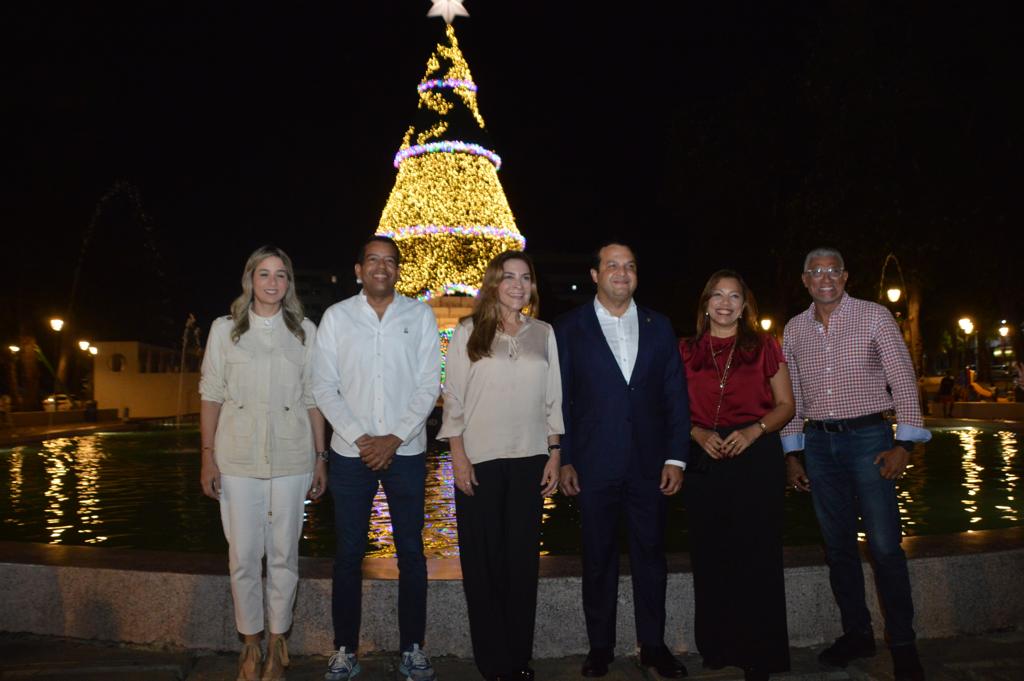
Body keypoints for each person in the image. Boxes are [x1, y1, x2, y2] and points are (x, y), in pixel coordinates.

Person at [782, 247, 931, 681]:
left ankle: (902, 642)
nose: (825, 277)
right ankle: (857, 633)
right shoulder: (793, 330)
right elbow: (791, 396)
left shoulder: (875, 316)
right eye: (816, 271)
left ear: (845, 277)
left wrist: (905, 444)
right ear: (805, 280)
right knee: (839, 549)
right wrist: (793, 454)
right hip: (819, 445)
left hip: (870, 438)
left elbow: (903, 379)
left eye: (833, 270)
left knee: (885, 546)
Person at [555, 242, 690, 679]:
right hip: (593, 465)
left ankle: (653, 645)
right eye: (612, 265)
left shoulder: (660, 325)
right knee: (597, 557)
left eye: (630, 265)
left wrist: (676, 458)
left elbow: (675, 396)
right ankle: (600, 648)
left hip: (651, 466)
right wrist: (566, 459)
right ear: (595, 275)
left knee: (652, 555)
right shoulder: (569, 328)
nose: (622, 272)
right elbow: (561, 401)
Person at [313, 236, 441, 681]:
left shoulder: (419, 315)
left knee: (411, 552)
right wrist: (362, 438)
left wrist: (394, 438)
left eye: (389, 261)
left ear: (398, 270)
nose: (381, 268)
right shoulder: (336, 318)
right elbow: (324, 387)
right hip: (351, 455)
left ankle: (413, 648)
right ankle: (345, 649)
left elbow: (429, 385)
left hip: (406, 453)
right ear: (358, 269)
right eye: (373, 260)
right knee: (348, 554)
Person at [199, 245, 326, 681]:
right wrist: (207, 459)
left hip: (293, 458)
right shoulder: (225, 331)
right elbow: (211, 394)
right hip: (235, 458)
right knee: (243, 555)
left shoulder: (305, 331)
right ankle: (250, 644)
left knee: (285, 554)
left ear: (288, 283)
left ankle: (277, 642)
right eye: (264, 274)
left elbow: (313, 400)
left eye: (281, 275)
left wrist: (321, 458)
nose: (273, 283)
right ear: (250, 279)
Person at [438, 251, 563, 681]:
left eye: (525, 278)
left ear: (532, 286)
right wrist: (458, 455)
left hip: (530, 459)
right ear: (493, 283)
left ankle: (517, 657)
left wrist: (555, 452)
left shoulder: (544, 333)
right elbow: (453, 397)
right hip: (480, 461)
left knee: (521, 563)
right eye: (508, 277)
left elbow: (553, 398)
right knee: (483, 563)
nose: (517, 284)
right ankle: (492, 661)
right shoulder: (469, 332)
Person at [679, 271, 794, 681]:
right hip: (703, 457)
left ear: (745, 306)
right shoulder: (685, 351)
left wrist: (754, 430)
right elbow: (671, 409)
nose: (725, 303)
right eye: (717, 295)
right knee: (710, 556)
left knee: (758, 555)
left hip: (755, 455)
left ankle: (760, 653)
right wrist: (696, 432)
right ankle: (718, 645)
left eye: (734, 297)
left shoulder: (764, 346)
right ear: (705, 302)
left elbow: (786, 405)